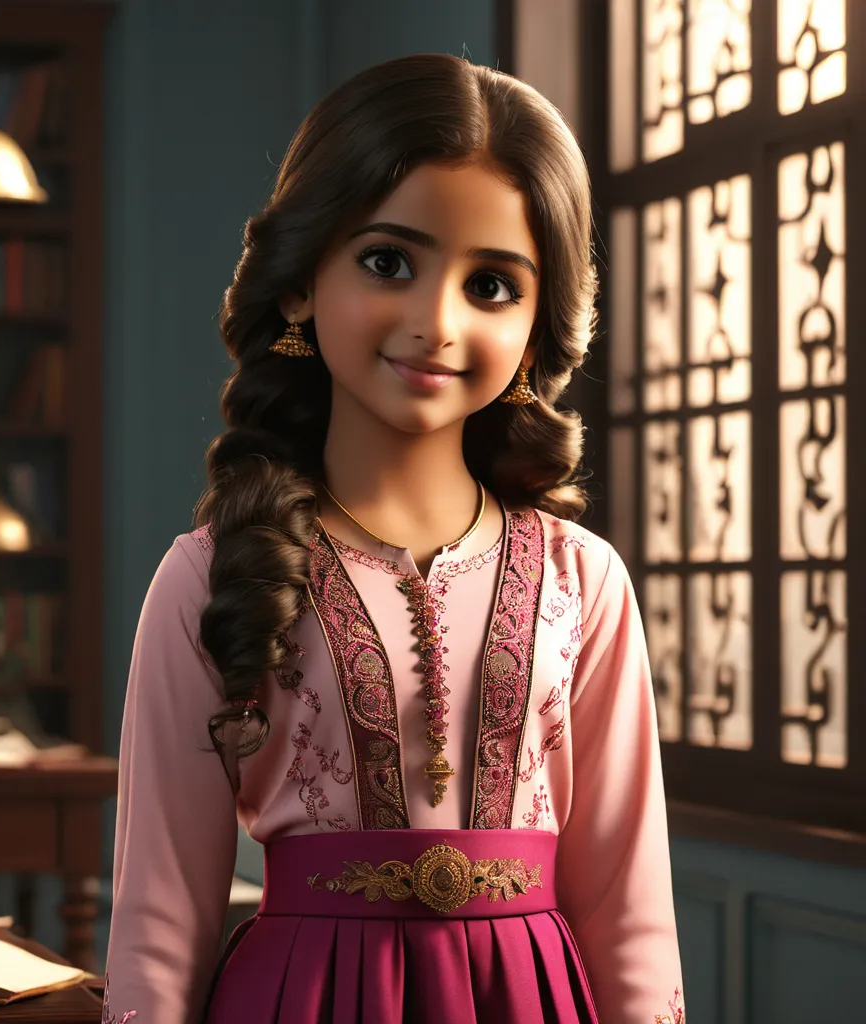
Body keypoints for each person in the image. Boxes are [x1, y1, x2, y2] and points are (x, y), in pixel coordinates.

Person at [101, 52, 686, 1024]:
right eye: (387, 262)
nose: (435, 321)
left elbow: (628, 907)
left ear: (542, 322)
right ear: (299, 284)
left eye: (493, 285)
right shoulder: (204, 578)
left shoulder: (584, 581)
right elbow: (160, 921)